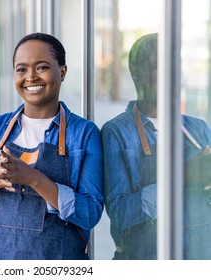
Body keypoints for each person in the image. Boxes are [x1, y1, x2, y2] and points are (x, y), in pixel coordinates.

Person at [0, 32, 104, 260]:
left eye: (41, 67)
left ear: (62, 72)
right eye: (21, 69)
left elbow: (90, 214)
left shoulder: (83, 134)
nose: (30, 77)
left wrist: (34, 178)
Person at [101, 33, 211, 260]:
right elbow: (121, 214)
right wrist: (181, 176)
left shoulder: (199, 129)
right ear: (135, 72)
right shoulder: (117, 133)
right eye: (159, 65)